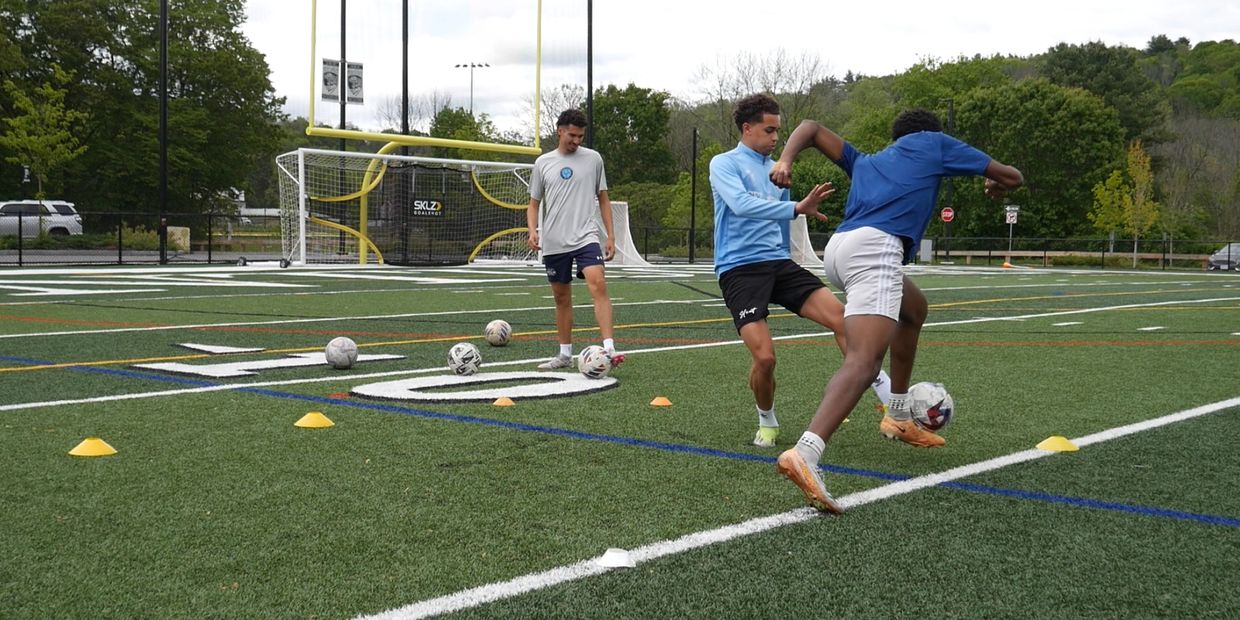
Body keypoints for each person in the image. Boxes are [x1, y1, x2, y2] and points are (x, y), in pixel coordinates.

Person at [770, 109, 1024, 513]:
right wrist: (995, 183)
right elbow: (1012, 176)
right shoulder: (934, 142)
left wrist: (785, 160)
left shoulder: (869, 161)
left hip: (839, 249)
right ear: (928, 134)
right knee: (865, 361)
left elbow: (813, 129)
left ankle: (900, 415)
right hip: (876, 248)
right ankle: (807, 452)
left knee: (914, 310)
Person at [710, 93, 893, 449]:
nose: (776, 137)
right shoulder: (724, 163)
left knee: (844, 319)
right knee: (764, 358)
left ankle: (891, 403)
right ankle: (767, 420)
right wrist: (796, 207)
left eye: (779, 130)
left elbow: (781, 220)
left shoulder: (778, 169)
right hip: (740, 269)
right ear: (747, 129)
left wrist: (794, 222)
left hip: (779, 263)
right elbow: (740, 205)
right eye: (769, 130)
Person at [527, 109, 624, 369]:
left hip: (586, 236)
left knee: (598, 282)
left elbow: (603, 198)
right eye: (572, 135)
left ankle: (609, 348)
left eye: (581, 136)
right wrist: (533, 229)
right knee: (561, 296)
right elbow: (533, 204)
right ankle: (564, 355)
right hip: (555, 241)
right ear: (560, 131)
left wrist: (610, 236)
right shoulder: (543, 163)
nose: (577, 140)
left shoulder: (594, 159)